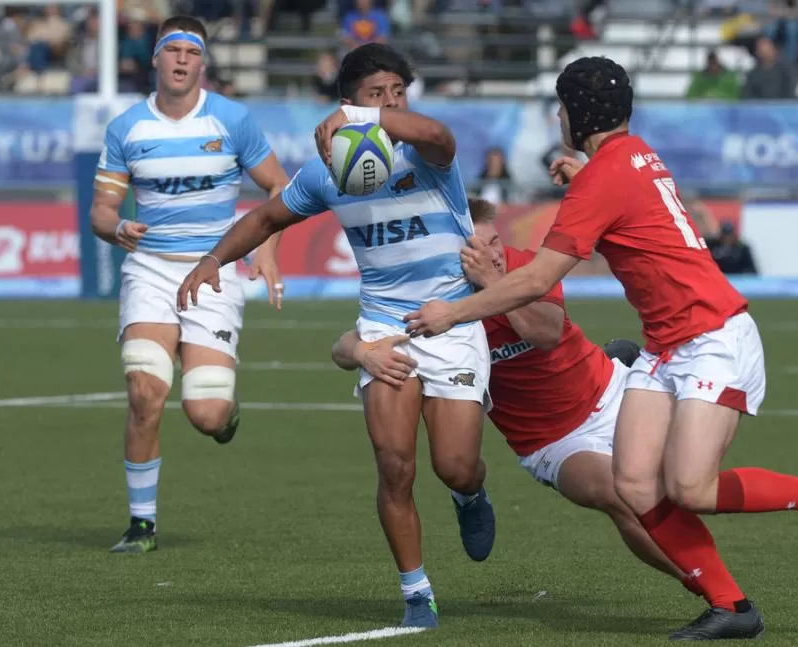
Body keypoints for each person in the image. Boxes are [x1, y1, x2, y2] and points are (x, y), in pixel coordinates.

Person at [403, 57, 798, 641]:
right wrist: (585, 175)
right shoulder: (630, 156)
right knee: (631, 486)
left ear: (578, 115)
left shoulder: (602, 179)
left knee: (691, 488)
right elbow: (624, 199)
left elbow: (533, 281)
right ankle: (732, 607)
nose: (557, 118)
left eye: (561, 109)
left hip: (712, 336)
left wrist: (450, 311)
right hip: (666, 344)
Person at [175, 43, 495, 630]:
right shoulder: (330, 173)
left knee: (455, 465)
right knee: (395, 465)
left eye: (398, 92)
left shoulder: (425, 156)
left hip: (451, 319)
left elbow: (440, 136)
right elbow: (269, 218)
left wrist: (368, 118)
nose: (391, 102)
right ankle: (416, 591)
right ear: (348, 101)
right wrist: (213, 259)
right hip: (384, 327)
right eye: (377, 94)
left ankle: (470, 496)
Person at [331, 197, 701, 596]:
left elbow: (546, 334)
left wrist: (494, 285)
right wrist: (360, 352)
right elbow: (346, 344)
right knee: (621, 496)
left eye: (495, 243)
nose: (493, 256)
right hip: (552, 441)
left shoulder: (525, 267)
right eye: (478, 249)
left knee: (685, 485)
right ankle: (705, 587)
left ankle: (616, 359)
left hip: (609, 393)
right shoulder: (435, 300)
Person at [90, 15, 288, 555]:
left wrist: (266, 248)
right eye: (171, 49)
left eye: (190, 52)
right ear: (155, 58)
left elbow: (278, 188)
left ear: (202, 63)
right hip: (151, 269)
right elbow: (101, 213)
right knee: (144, 391)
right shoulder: (127, 127)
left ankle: (225, 411)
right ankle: (141, 524)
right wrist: (118, 227)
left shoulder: (231, 120)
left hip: (215, 270)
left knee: (206, 414)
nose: (181, 59)